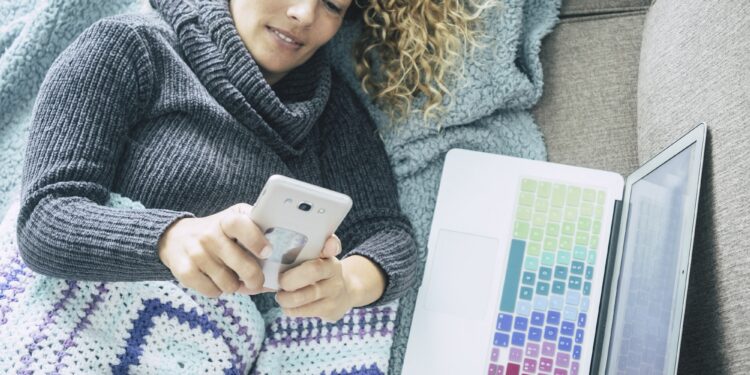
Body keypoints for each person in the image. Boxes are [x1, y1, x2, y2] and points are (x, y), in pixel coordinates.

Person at [16, 0, 489, 324]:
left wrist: (348, 283)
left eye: (331, 4)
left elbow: (389, 236)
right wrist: (169, 240)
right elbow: (44, 220)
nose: (304, 13)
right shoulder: (131, 48)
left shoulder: (331, 113)